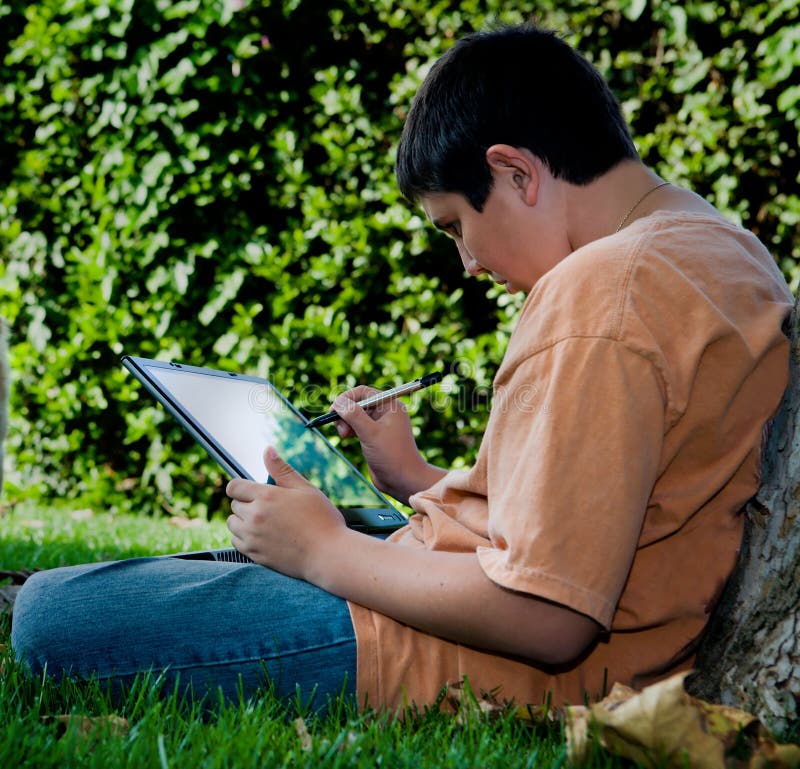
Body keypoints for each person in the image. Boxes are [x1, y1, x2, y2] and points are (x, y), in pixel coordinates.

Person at [11, 23, 793, 712]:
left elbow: (552, 617)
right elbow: (609, 511)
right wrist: (415, 479)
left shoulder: (601, 298)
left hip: (450, 654)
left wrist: (326, 551)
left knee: (52, 612)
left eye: (457, 225)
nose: (469, 265)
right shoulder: (721, 251)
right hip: (467, 599)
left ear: (516, 173)